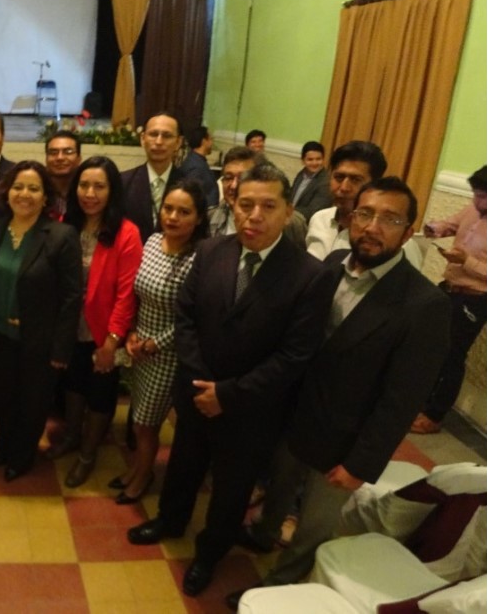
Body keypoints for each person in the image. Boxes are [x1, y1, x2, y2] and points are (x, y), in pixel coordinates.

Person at [225, 177, 450, 608]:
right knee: (279, 491)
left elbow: (401, 401)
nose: (373, 227)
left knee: (313, 526)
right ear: (351, 218)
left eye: (389, 219)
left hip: (344, 441)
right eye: (365, 214)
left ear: (408, 231)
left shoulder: (423, 305)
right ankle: (263, 533)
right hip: (296, 419)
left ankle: (279, 588)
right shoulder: (331, 266)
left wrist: (360, 465)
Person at [127, 163, 336, 597]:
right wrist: (202, 384)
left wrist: (227, 394)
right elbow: (186, 318)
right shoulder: (211, 251)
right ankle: (170, 519)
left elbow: (294, 355)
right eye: (245, 204)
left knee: (231, 489)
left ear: (288, 211)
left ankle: (209, 554)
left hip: (251, 409)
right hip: (196, 393)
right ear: (232, 205)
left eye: (268, 206)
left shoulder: (309, 275)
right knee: (183, 465)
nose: (254, 216)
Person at [47, 156, 142, 489]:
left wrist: (112, 341)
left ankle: (88, 455)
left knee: (100, 394)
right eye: (84, 185)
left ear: (112, 191)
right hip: (69, 327)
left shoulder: (126, 233)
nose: (90, 193)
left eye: (99, 186)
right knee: (73, 384)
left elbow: (126, 294)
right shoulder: (65, 224)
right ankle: (72, 436)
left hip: (104, 331)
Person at [0, 161, 80, 481]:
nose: (24, 194)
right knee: (4, 396)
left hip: (40, 340)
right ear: (7, 192)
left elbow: (71, 298)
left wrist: (61, 349)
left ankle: (22, 457)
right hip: (2, 335)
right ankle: (4, 445)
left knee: (33, 402)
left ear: (45, 196)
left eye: (33, 188)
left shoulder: (61, 236)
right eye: (18, 187)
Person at [114, 180, 208, 504]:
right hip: (139, 345)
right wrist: (132, 333)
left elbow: (193, 315)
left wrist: (155, 343)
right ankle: (136, 468)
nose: (173, 217)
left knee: (147, 423)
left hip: (169, 354)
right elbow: (137, 292)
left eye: (184, 212)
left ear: (198, 218)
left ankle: (143, 475)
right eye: (168, 209)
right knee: (138, 417)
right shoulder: (153, 241)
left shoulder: (199, 257)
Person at [413, 165, 487, 434]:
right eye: (475, 194)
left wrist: (466, 261)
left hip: (475, 298)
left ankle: (435, 415)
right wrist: (435, 228)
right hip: (449, 288)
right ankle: (421, 401)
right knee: (430, 344)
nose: (477, 201)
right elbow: (452, 224)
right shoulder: (473, 209)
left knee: (452, 355)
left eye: (483, 196)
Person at [306, 140, 422, 268]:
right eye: (339, 177)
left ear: (374, 185)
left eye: (355, 180)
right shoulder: (319, 219)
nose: (344, 187)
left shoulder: (396, 243)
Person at [123, 112, 186, 242]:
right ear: (142, 139)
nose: (158, 142)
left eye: (167, 136)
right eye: (153, 134)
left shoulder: (190, 185)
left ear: (178, 142)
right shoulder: (123, 182)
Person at [207, 147, 259, 237]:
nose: (233, 186)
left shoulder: (270, 224)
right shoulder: (208, 219)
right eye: (228, 178)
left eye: (242, 178)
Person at [44, 130, 82, 217]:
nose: (60, 158)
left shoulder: (87, 193)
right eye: (53, 152)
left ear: (79, 158)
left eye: (68, 152)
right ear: (46, 158)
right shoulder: (39, 190)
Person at [290, 141, 331, 222]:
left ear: (323, 160)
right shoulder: (302, 174)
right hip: (292, 218)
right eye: (310, 159)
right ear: (303, 161)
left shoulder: (326, 182)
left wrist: (286, 210)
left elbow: (313, 211)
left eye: (318, 159)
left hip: (307, 223)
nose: (314, 163)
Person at [179, 125, 219, 208]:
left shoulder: (198, 161)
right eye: (211, 139)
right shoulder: (195, 165)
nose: (212, 143)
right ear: (204, 141)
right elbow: (192, 196)